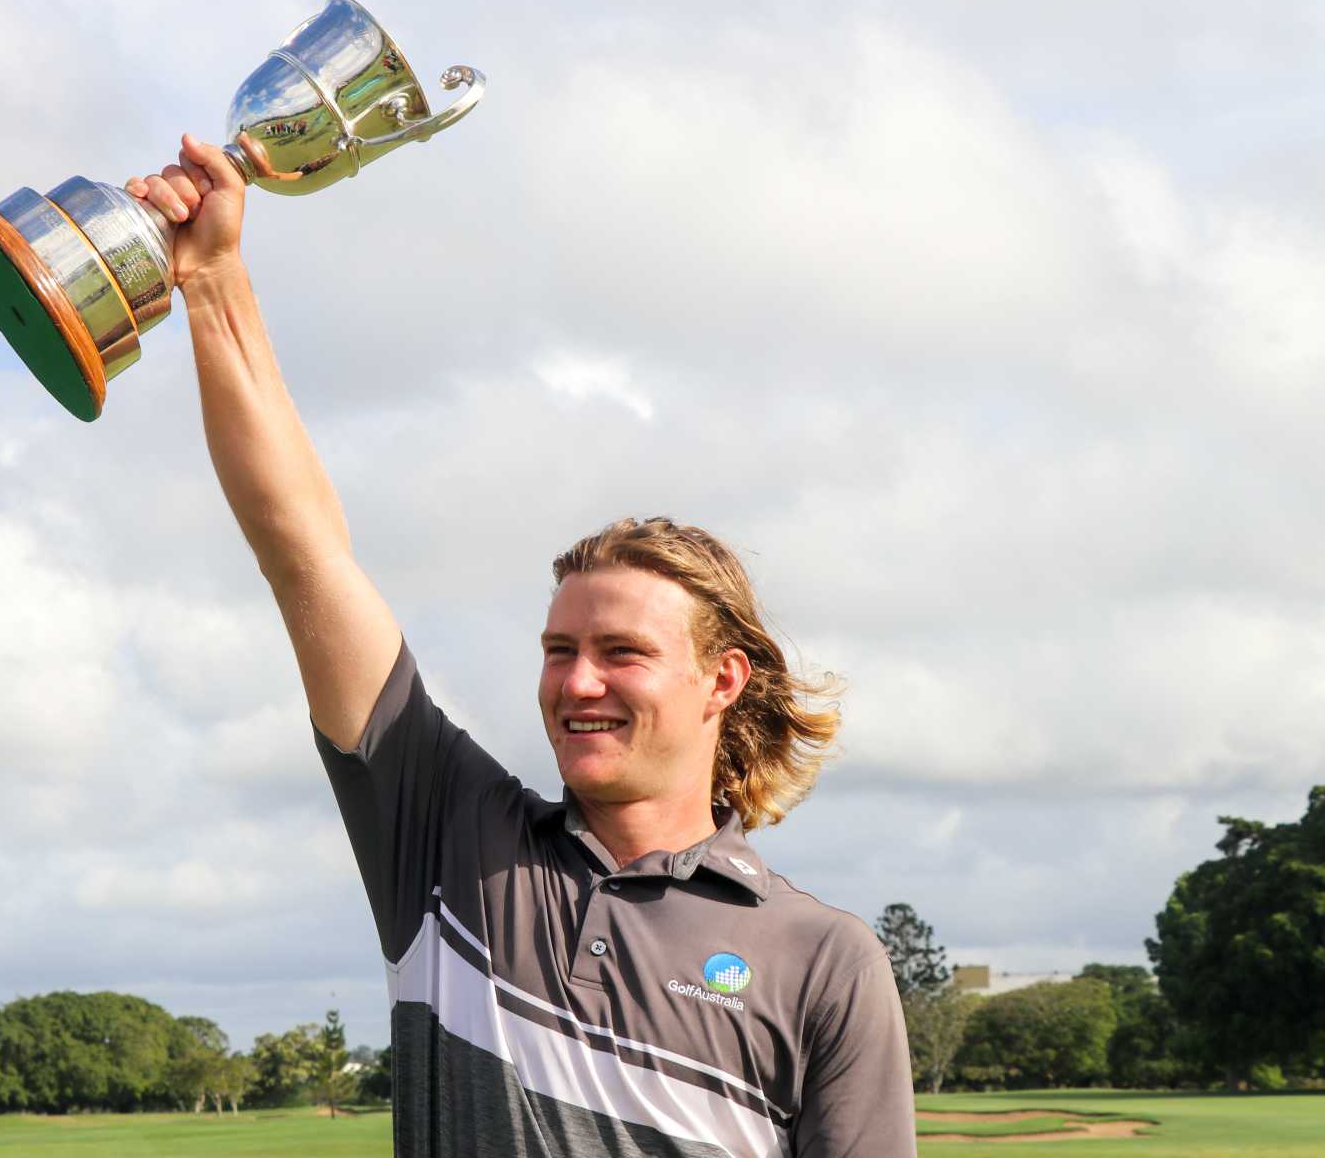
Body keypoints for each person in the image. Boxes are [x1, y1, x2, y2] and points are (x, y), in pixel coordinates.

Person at [128, 136, 916, 1157]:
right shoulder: (447, 835)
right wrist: (212, 280)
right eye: (557, 647)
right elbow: (306, 557)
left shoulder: (822, 958)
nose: (575, 681)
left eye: (619, 651)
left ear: (720, 678)